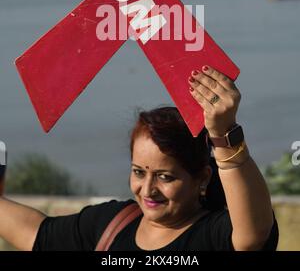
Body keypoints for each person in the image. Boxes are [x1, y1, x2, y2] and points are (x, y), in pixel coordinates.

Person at [0, 65, 278, 251]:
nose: (147, 191)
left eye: (165, 177)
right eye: (138, 172)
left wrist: (224, 133)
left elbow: (253, 232)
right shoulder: (111, 223)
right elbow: (37, 235)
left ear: (202, 178)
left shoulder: (213, 236)